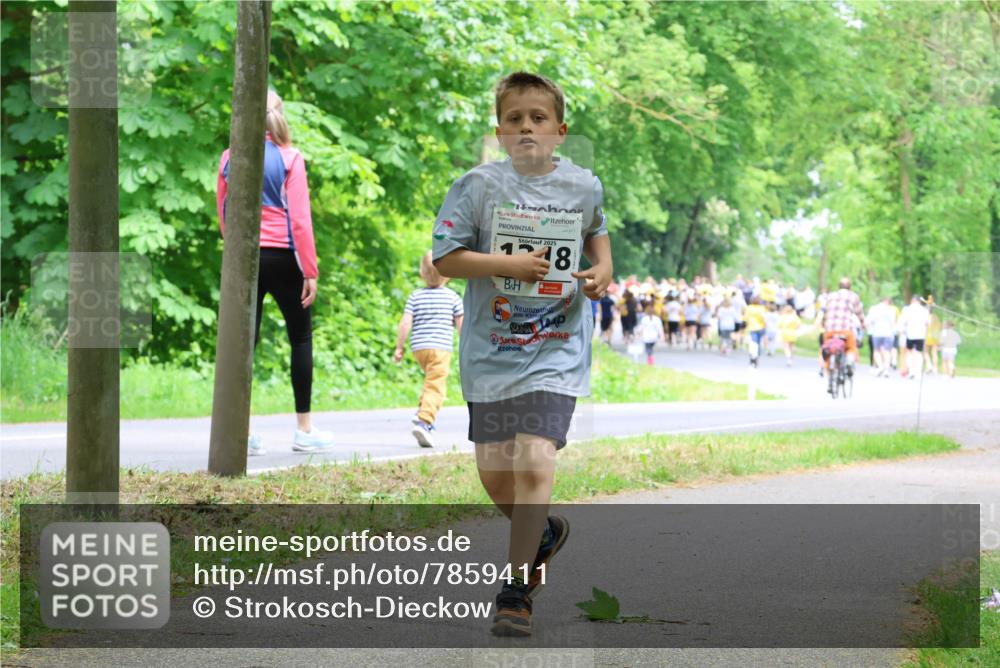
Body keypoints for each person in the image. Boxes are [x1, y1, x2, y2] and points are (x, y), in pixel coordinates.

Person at [432, 72, 612, 637]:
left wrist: (603, 269)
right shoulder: (477, 187)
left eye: (538, 118)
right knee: (495, 475)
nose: (526, 127)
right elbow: (447, 259)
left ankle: (516, 592)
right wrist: (507, 265)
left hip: (556, 346)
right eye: (515, 119)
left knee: (535, 460)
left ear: (560, 131)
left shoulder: (584, 186)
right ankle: (542, 533)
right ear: (499, 132)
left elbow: (597, 233)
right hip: (492, 349)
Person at [216, 90, 333, 456]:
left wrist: (236, 249)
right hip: (283, 257)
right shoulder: (289, 157)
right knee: (300, 339)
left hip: (244, 259)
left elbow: (224, 213)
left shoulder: (229, 158)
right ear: (279, 115)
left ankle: (242, 431)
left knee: (242, 344)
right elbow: (299, 220)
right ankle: (303, 430)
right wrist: (309, 269)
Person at [394, 252, 464, 448]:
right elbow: (461, 324)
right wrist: (466, 346)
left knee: (430, 382)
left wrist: (399, 347)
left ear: (421, 273)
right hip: (440, 348)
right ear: (448, 274)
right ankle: (425, 421)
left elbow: (405, 322)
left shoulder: (415, 296)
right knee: (437, 386)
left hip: (419, 349)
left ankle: (420, 412)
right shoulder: (453, 297)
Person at [818, 277, 865, 387]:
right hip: (846, 330)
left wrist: (823, 324)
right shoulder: (853, 296)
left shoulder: (830, 296)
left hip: (829, 330)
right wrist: (863, 325)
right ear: (850, 287)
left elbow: (823, 312)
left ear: (838, 286)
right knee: (851, 348)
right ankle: (849, 361)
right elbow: (859, 314)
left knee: (828, 350)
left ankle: (829, 379)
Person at [899, 294, 930, 380]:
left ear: (912, 300)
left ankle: (912, 371)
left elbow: (904, 322)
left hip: (910, 334)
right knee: (919, 353)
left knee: (909, 352)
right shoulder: (924, 310)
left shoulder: (907, 309)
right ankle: (918, 372)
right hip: (920, 335)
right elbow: (927, 323)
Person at [743, 296, 768, 367]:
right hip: (760, 327)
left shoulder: (749, 308)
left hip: (752, 327)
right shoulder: (762, 308)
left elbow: (745, 318)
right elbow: (764, 318)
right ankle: (756, 356)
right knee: (758, 343)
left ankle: (753, 355)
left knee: (753, 343)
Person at [925, 298, 942, 375]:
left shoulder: (925, 317)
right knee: (934, 353)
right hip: (935, 337)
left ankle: (929, 365)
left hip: (927, 336)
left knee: (925, 352)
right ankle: (935, 368)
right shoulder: (936, 317)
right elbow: (939, 327)